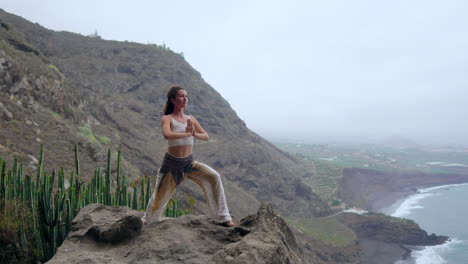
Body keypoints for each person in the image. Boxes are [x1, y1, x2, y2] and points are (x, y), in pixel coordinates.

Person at [141, 85, 235, 227]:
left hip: (189, 163)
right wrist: (187, 133)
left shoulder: (190, 118)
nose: (185, 99)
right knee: (159, 198)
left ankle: (223, 218)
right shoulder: (167, 118)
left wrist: (194, 133)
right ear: (173, 99)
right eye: (181, 96)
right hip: (172, 166)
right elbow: (167, 134)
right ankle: (147, 220)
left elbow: (206, 136)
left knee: (214, 177)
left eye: (186, 96)